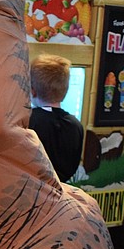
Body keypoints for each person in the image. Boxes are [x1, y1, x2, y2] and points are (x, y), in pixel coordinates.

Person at [29, 54, 84, 182]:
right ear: (65, 90)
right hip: (61, 192)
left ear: (32, 91)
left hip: (32, 192)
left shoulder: (27, 119)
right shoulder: (76, 126)